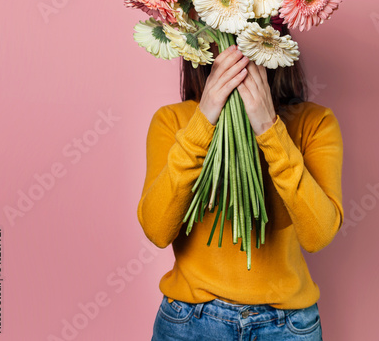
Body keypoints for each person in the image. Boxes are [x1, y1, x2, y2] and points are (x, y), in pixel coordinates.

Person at [137, 23, 344, 340]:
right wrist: (204, 119)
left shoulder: (314, 123)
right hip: (190, 320)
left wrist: (268, 128)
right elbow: (157, 230)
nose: (238, 55)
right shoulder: (172, 120)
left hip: (287, 326)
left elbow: (318, 235)